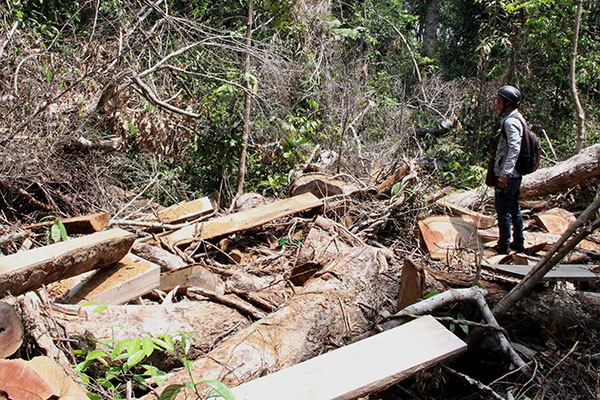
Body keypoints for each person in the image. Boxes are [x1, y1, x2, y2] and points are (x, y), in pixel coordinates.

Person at [493, 85, 526, 254]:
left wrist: (504, 174)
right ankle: (518, 242)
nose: (497, 104)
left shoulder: (511, 122)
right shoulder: (518, 119)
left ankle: (503, 244)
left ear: (508, 103)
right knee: (514, 207)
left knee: (503, 209)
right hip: (515, 174)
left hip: (509, 175)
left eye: (499, 101)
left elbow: (514, 148)